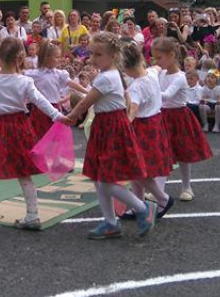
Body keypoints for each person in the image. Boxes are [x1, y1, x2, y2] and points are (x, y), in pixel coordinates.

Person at [63, 32, 156, 240]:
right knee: (99, 178)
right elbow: (125, 96)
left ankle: (142, 208)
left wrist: (71, 116)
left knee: (105, 180)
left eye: (98, 55)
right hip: (106, 127)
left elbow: (87, 101)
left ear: (113, 55)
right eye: (92, 54)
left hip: (111, 128)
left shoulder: (107, 77)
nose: (93, 59)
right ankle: (111, 222)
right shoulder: (114, 74)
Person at [0, 38, 67, 231]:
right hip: (21, 128)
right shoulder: (25, 81)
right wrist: (57, 115)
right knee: (24, 173)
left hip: (0, 130)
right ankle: (32, 215)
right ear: (21, 58)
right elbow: (41, 101)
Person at [152, 37, 212, 202]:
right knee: (161, 153)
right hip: (162, 116)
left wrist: (148, 89)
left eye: (159, 58)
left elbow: (167, 95)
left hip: (179, 117)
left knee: (184, 155)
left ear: (171, 55)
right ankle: (159, 190)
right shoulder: (161, 73)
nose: (156, 62)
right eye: (154, 58)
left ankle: (186, 187)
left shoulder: (180, 77)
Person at [118, 42, 173, 218]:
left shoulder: (136, 87)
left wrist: (122, 131)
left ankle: (162, 198)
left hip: (142, 129)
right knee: (136, 169)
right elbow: (157, 67)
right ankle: (137, 205)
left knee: (140, 170)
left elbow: (132, 111)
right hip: (155, 124)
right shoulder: (150, 74)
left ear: (125, 67)